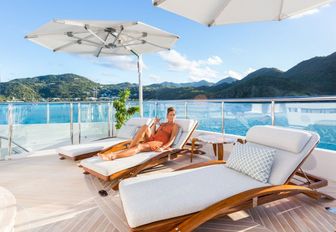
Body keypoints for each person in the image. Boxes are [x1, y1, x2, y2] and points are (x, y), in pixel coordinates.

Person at [98, 107, 179, 161]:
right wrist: (155, 124)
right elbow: (154, 133)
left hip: (159, 143)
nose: (172, 116)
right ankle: (130, 148)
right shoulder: (163, 124)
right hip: (153, 139)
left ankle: (113, 156)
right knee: (145, 126)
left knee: (139, 146)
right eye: (170, 115)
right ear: (167, 116)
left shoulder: (175, 126)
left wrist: (163, 148)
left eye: (174, 115)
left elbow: (172, 139)